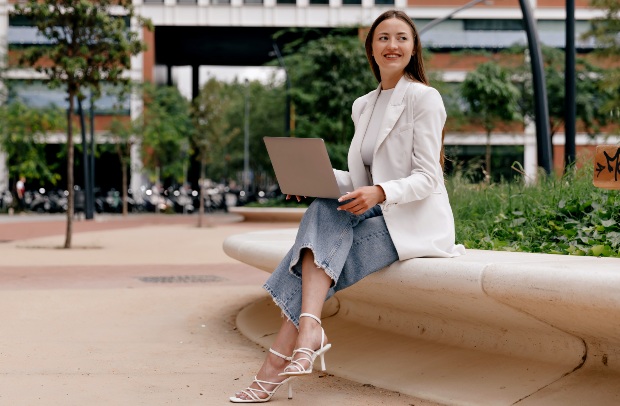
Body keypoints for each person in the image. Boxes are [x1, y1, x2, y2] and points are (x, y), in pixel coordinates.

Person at [229, 9, 465, 403]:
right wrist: (310, 181)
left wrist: (382, 192)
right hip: (374, 208)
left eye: (402, 38)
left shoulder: (424, 98)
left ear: (413, 48)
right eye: (384, 38)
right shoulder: (363, 105)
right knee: (322, 209)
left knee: (310, 257)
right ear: (371, 48)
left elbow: (429, 178)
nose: (393, 45)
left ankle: (278, 361)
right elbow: (358, 180)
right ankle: (307, 335)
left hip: (412, 220)